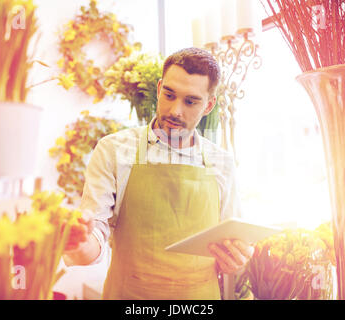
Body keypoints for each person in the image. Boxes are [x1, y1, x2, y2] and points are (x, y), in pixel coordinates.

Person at [63, 47, 254, 300]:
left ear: (208, 105)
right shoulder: (114, 150)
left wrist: (237, 259)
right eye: (169, 94)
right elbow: (95, 237)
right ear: (159, 88)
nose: (175, 111)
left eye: (190, 101)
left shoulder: (222, 163)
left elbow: (233, 245)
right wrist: (79, 242)